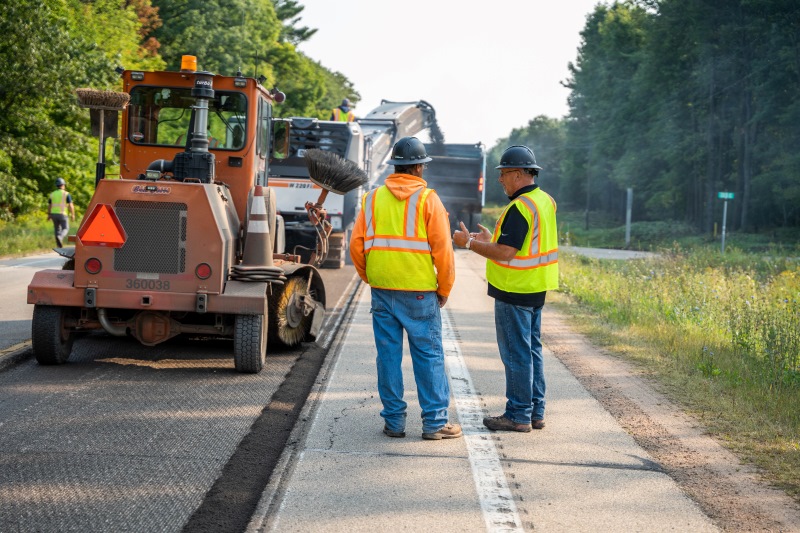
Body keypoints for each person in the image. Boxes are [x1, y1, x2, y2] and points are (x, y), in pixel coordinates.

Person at [350, 136, 461, 440]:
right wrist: (445, 288)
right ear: (418, 167)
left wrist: (370, 276)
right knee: (428, 355)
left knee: (387, 356)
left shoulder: (372, 198)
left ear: (396, 166)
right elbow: (444, 251)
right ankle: (435, 423)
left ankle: (394, 422)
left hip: (382, 289)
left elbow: (356, 246)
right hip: (419, 292)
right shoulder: (429, 200)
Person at [453, 145, 558, 432]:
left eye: (503, 173)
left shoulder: (519, 207)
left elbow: (505, 253)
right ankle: (536, 412)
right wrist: (491, 237)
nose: (499, 179)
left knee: (516, 354)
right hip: (536, 288)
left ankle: (518, 414)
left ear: (518, 173)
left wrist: (470, 243)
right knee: (532, 351)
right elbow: (522, 244)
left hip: (514, 290)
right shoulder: (544, 200)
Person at [48, 177, 76, 248]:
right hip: (62, 214)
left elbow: (49, 205)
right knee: (66, 228)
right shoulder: (66, 194)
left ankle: (58, 244)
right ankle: (60, 237)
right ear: (63, 185)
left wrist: (49, 215)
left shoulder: (52, 194)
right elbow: (71, 205)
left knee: (57, 229)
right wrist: (73, 214)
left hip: (54, 214)